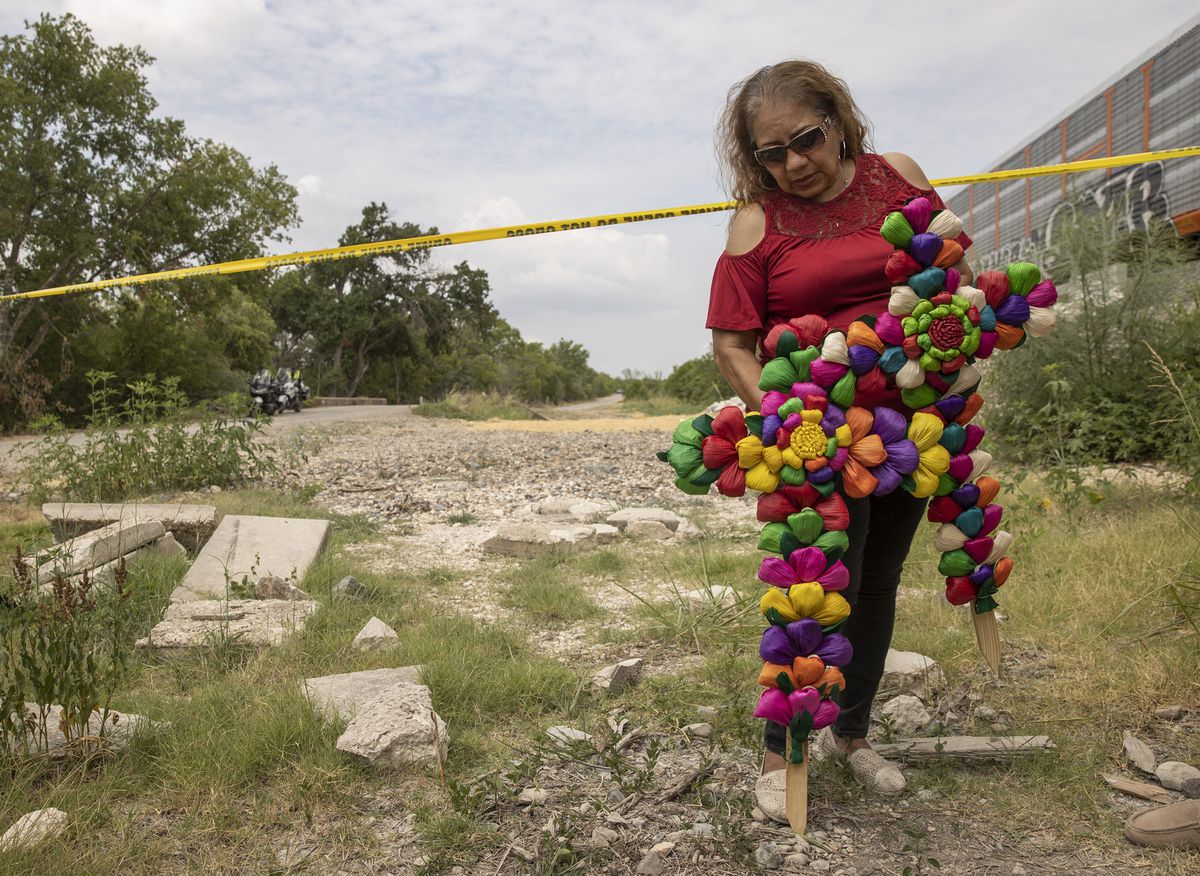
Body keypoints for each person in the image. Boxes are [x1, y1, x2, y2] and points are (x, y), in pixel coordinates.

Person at [706, 60, 975, 820]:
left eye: (807, 139)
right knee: (818, 588)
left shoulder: (900, 178)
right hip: (817, 444)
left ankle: (852, 736)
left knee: (878, 580)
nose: (795, 163)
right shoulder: (756, 224)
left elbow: (955, 277)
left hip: (913, 430)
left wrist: (954, 338)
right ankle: (780, 752)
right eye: (772, 153)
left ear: (838, 121)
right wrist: (790, 420)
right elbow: (731, 344)